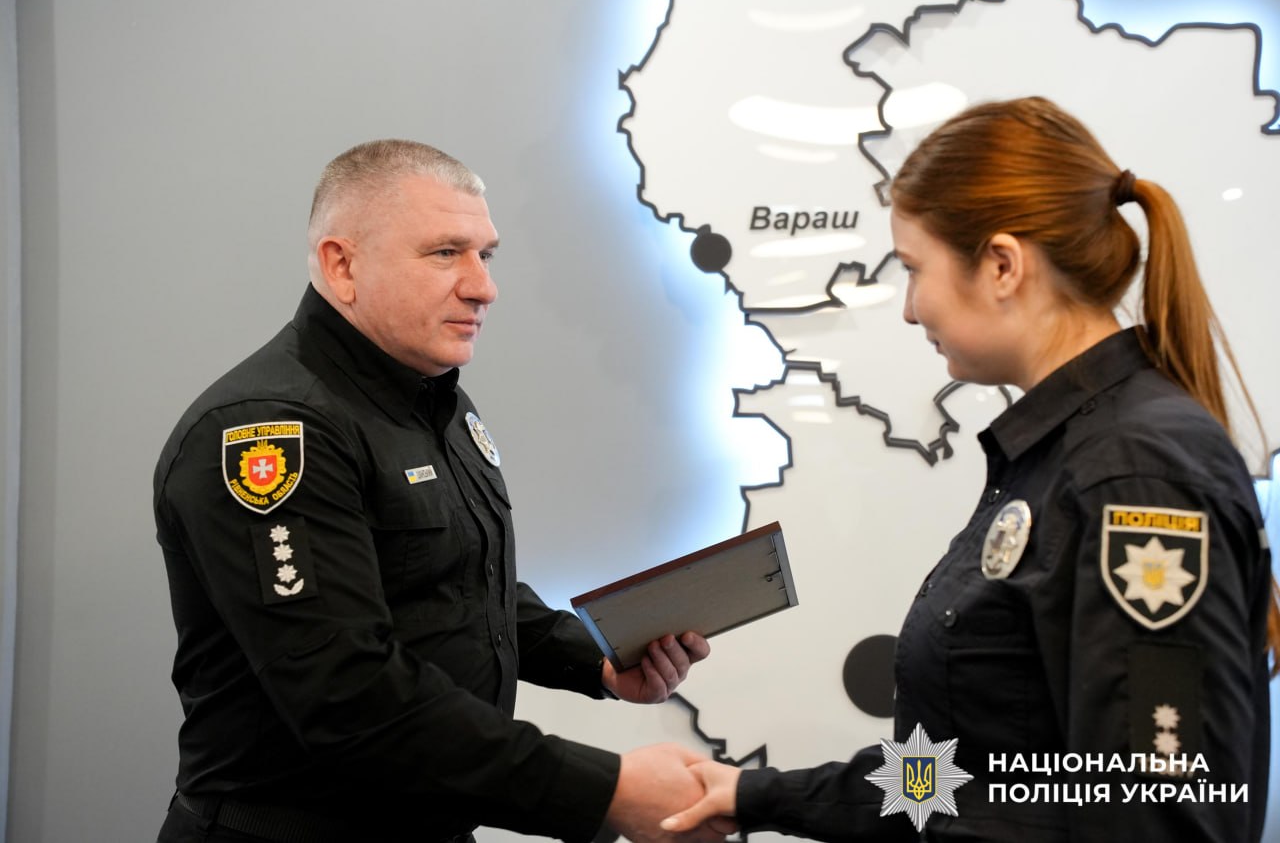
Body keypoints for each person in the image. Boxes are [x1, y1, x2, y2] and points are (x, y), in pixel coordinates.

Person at [661, 96, 1276, 841]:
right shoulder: (1064, 454)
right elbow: (974, 778)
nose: (909, 309)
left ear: (1002, 266)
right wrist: (757, 794)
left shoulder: (1135, 473)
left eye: (914, 269)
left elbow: (1162, 811)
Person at [153, 139, 722, 843]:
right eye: (446, 252)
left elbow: (459, 583)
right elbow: (348, 693)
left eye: (486, 255)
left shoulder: (436, 401)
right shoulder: (272, 432)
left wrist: (596, 658)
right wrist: (604, 790)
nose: (483, 286)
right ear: (342, 265)